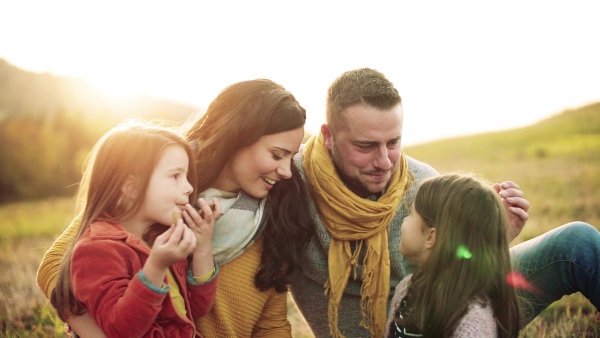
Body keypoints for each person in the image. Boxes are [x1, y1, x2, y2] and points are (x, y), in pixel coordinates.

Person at [290, 67, 600, 337]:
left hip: (449, 320)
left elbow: (458, 272)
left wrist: (494, 240)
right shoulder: (288, 184)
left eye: (393, 142)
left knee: (576, 244)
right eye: (365, 146)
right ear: (328, 136)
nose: (384, 161)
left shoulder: (423, 183)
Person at [37, 79, 315, 337]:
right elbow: (55, 266)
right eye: (277, 155)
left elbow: (271, 323)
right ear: (238, 137)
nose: (287, 171)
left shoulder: (279, 212)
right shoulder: (152, 189)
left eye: (291, 157)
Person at [49, 120, 220, 337]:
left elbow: (199, 308)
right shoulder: (97, 249)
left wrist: (203, 244)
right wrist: (156, 267)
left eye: (186, 177)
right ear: (132, 187)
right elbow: (122, 330)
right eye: (176, 176)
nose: (189, 187)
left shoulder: (161, 239)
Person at [386, 173, 520, 337]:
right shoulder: (405, 291)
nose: (403, 221)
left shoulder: (471, 320)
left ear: (430, 236)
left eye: (411, 214)